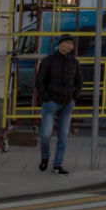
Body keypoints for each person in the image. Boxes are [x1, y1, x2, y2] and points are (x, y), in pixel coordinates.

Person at [35, 34, 82, 176]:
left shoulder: (74, 62)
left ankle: (57, 164)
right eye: (67, 43)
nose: (69, 46)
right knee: (46, 135)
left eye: (71, 44)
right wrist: (46, 98)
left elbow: (79, 82)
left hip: (67, 103)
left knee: (63, 136)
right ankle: (45, 156)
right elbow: (40, 81)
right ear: (60, 44)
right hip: (51, 103)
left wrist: (74, 97)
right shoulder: (48, 61)